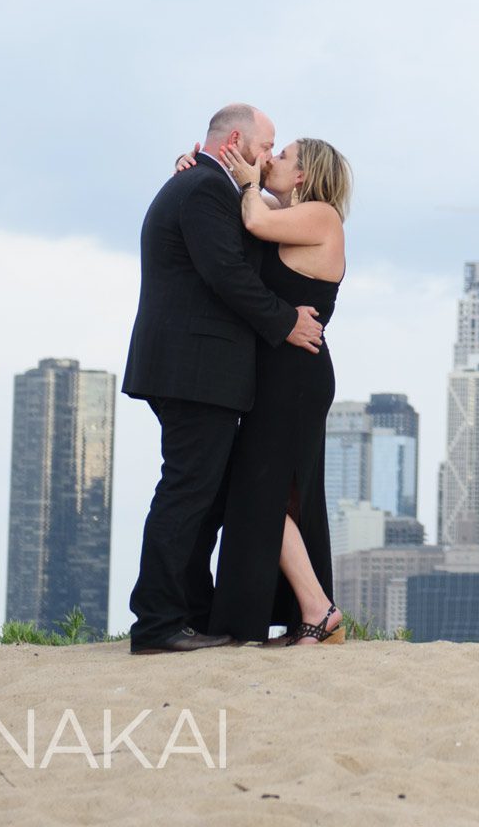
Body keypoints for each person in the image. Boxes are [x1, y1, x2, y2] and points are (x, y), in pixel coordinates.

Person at [123, 104, 323, 655]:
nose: (267, 156)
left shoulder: (210, 185)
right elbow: (226, 273)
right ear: (237, 140)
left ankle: (187, 614)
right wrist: (286, 322)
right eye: (267, 145)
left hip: (195, 369)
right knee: (188, 491)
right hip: (193, 369)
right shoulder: (206, 189)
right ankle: (159, 621)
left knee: (202, 496)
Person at [196, 135, 353, 647]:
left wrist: (247, 179)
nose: (272, 160)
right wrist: (201, 167)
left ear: (304, 175)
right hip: (278, 375)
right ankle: (312, 611)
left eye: (282, 156)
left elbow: (254, 219)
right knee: (273, 494)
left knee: (261, 491)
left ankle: (318, 610)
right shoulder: (285, 212)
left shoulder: (322, 216)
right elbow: (245, 203)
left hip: (297, 376)